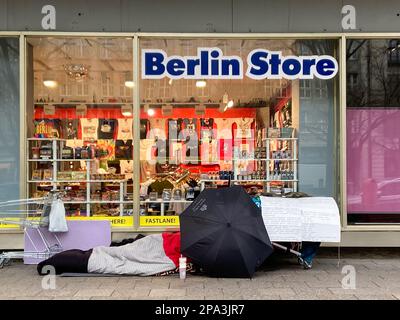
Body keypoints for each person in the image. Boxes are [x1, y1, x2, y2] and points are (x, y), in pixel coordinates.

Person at [37, 232, 184, 276]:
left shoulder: (191, 233)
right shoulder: (197, 247)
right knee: (118, 256)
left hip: (160, 242)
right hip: (158, 247)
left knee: (115, 253)